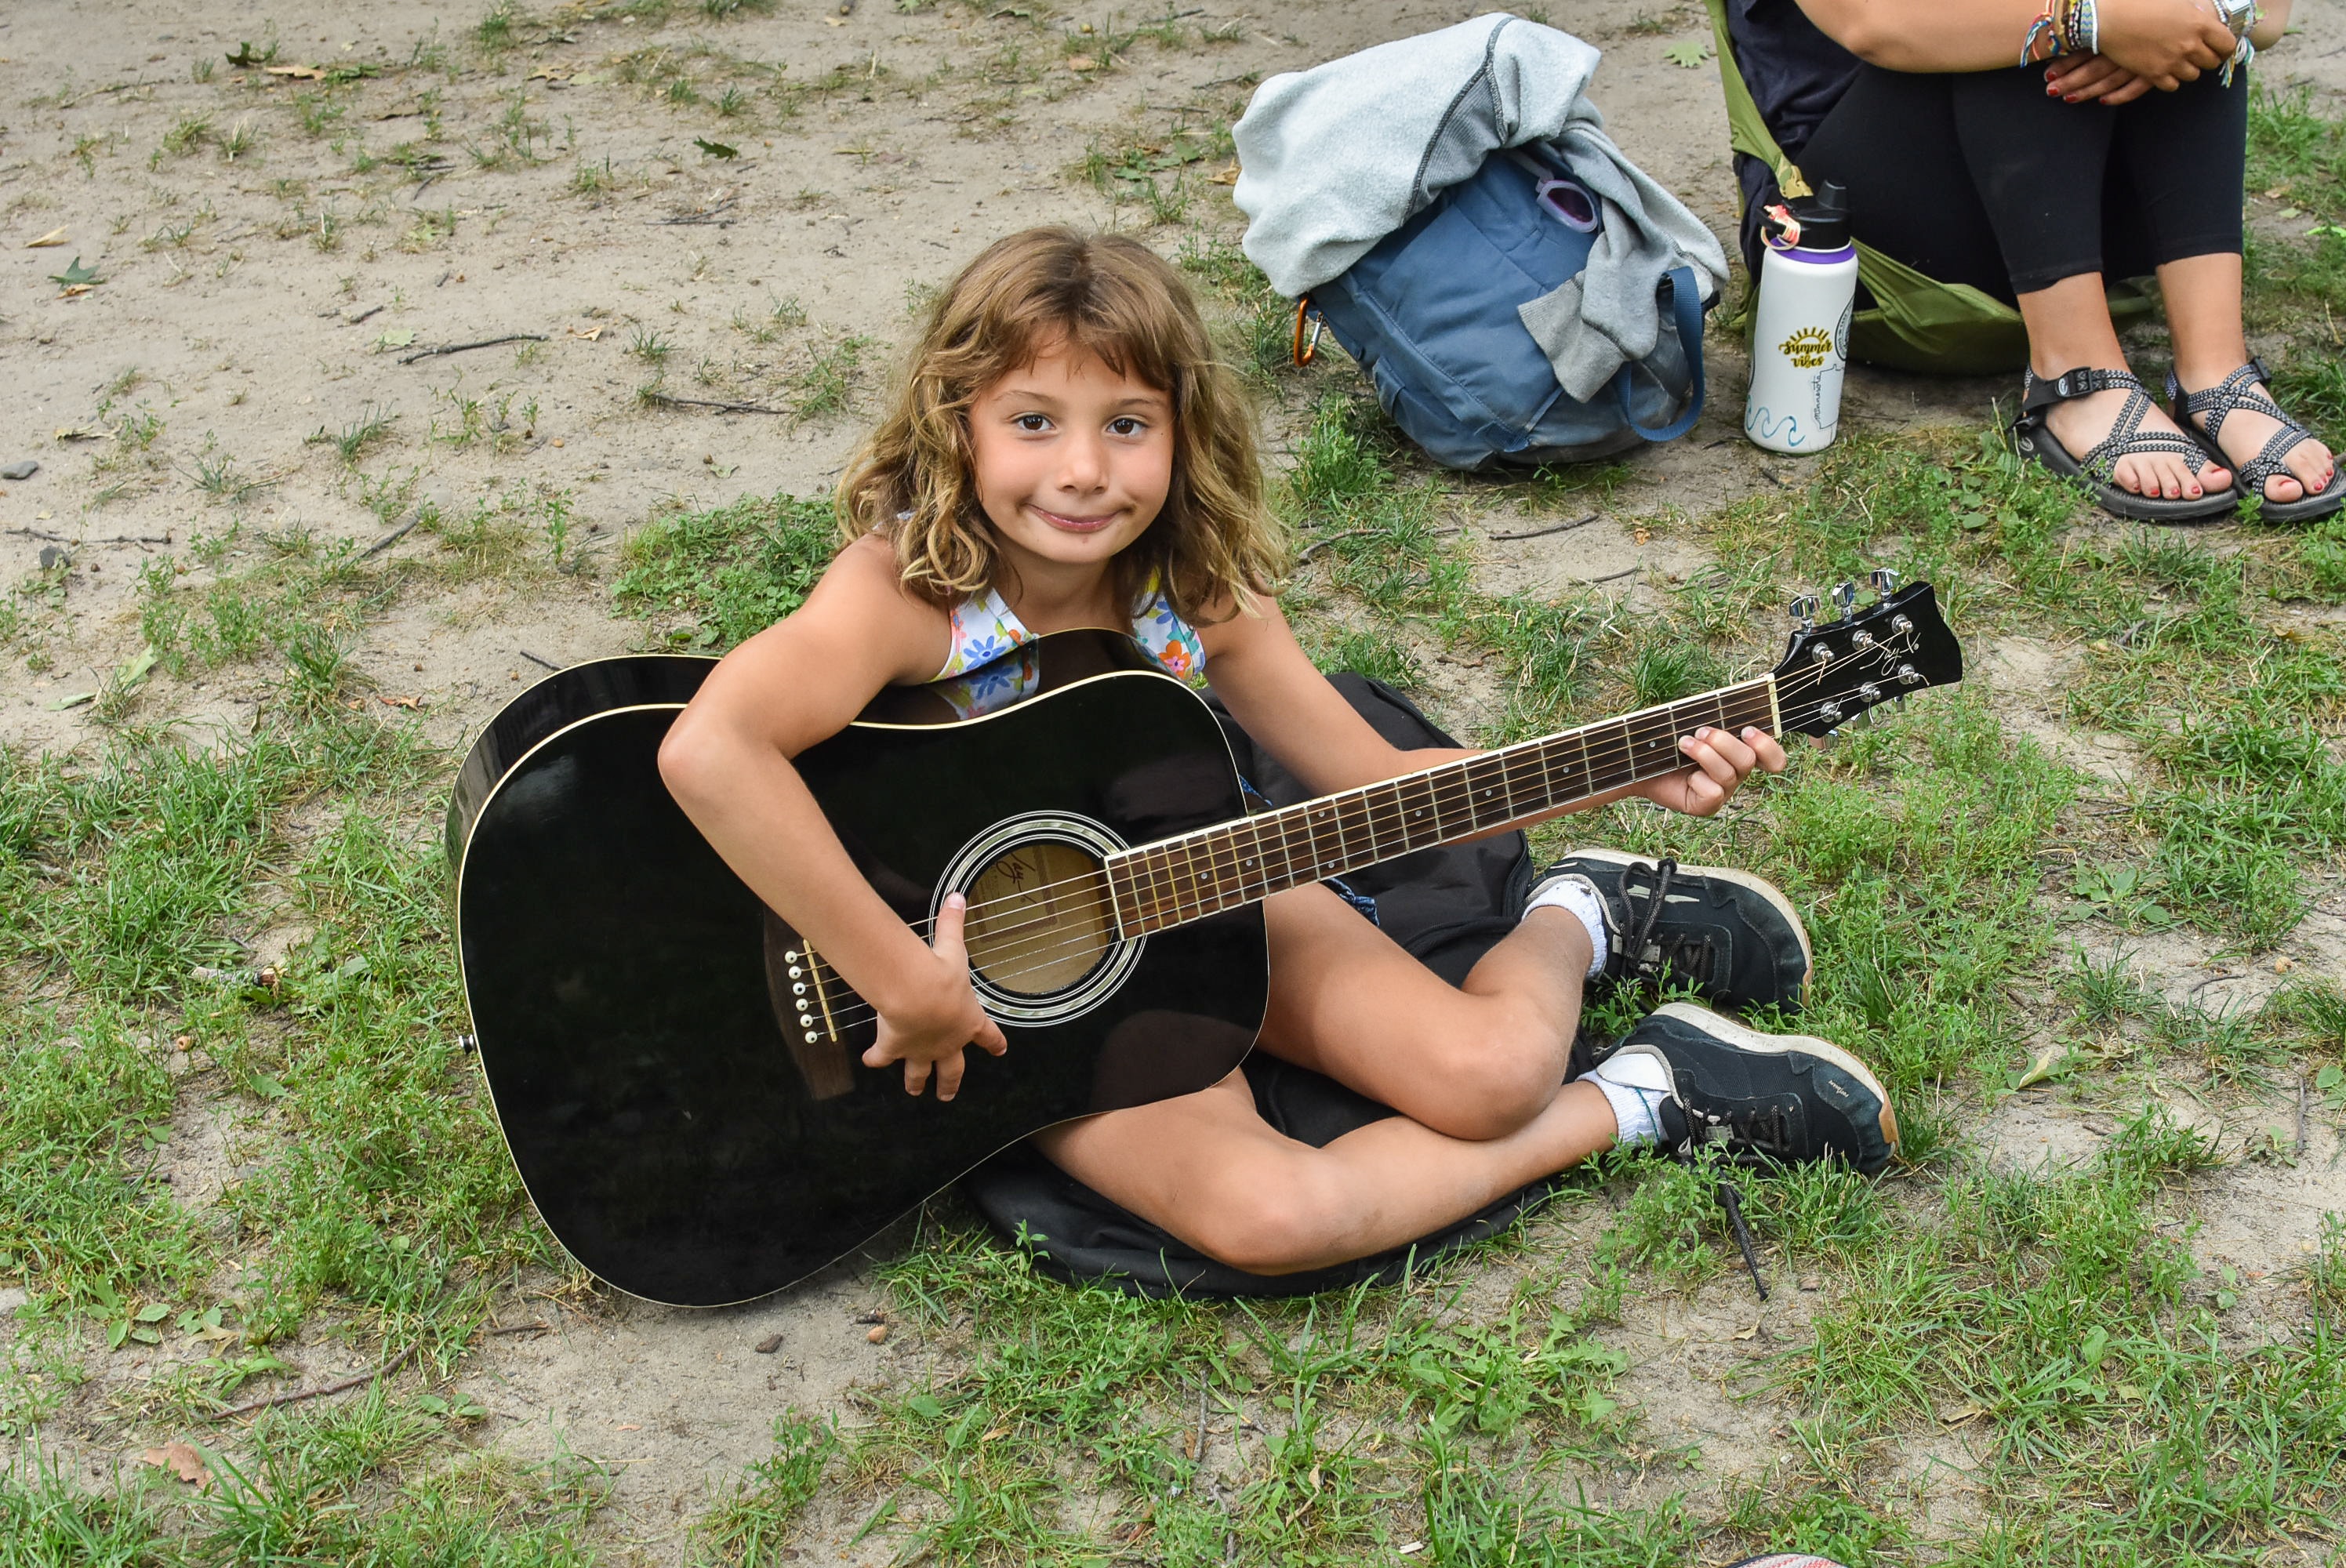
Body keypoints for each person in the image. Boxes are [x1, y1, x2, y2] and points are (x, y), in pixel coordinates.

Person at [656, 229, 1897, 1278]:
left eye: (1127, 425)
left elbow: (1371, 784)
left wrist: (1629, 763)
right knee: (1275, 1219)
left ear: (1184, 433)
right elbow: (713, 751)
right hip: (1007, 1027)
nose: (1082, 471)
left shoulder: (1192, 594)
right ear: (957, 422)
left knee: (1492, 1074)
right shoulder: (906, 595)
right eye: (1034, 421)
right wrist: (904, 976)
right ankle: (1643, 1095)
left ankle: (1577, 912)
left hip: (1205, 889)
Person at [1724, 0, 2341, 523]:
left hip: (2078, 206)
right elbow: (1873, 22)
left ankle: (2213, 369)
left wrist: (2172, 16)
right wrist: (2085, 21)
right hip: (1860, 240)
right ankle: (2073, 375)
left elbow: (2267, 14)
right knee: (2017, 11)